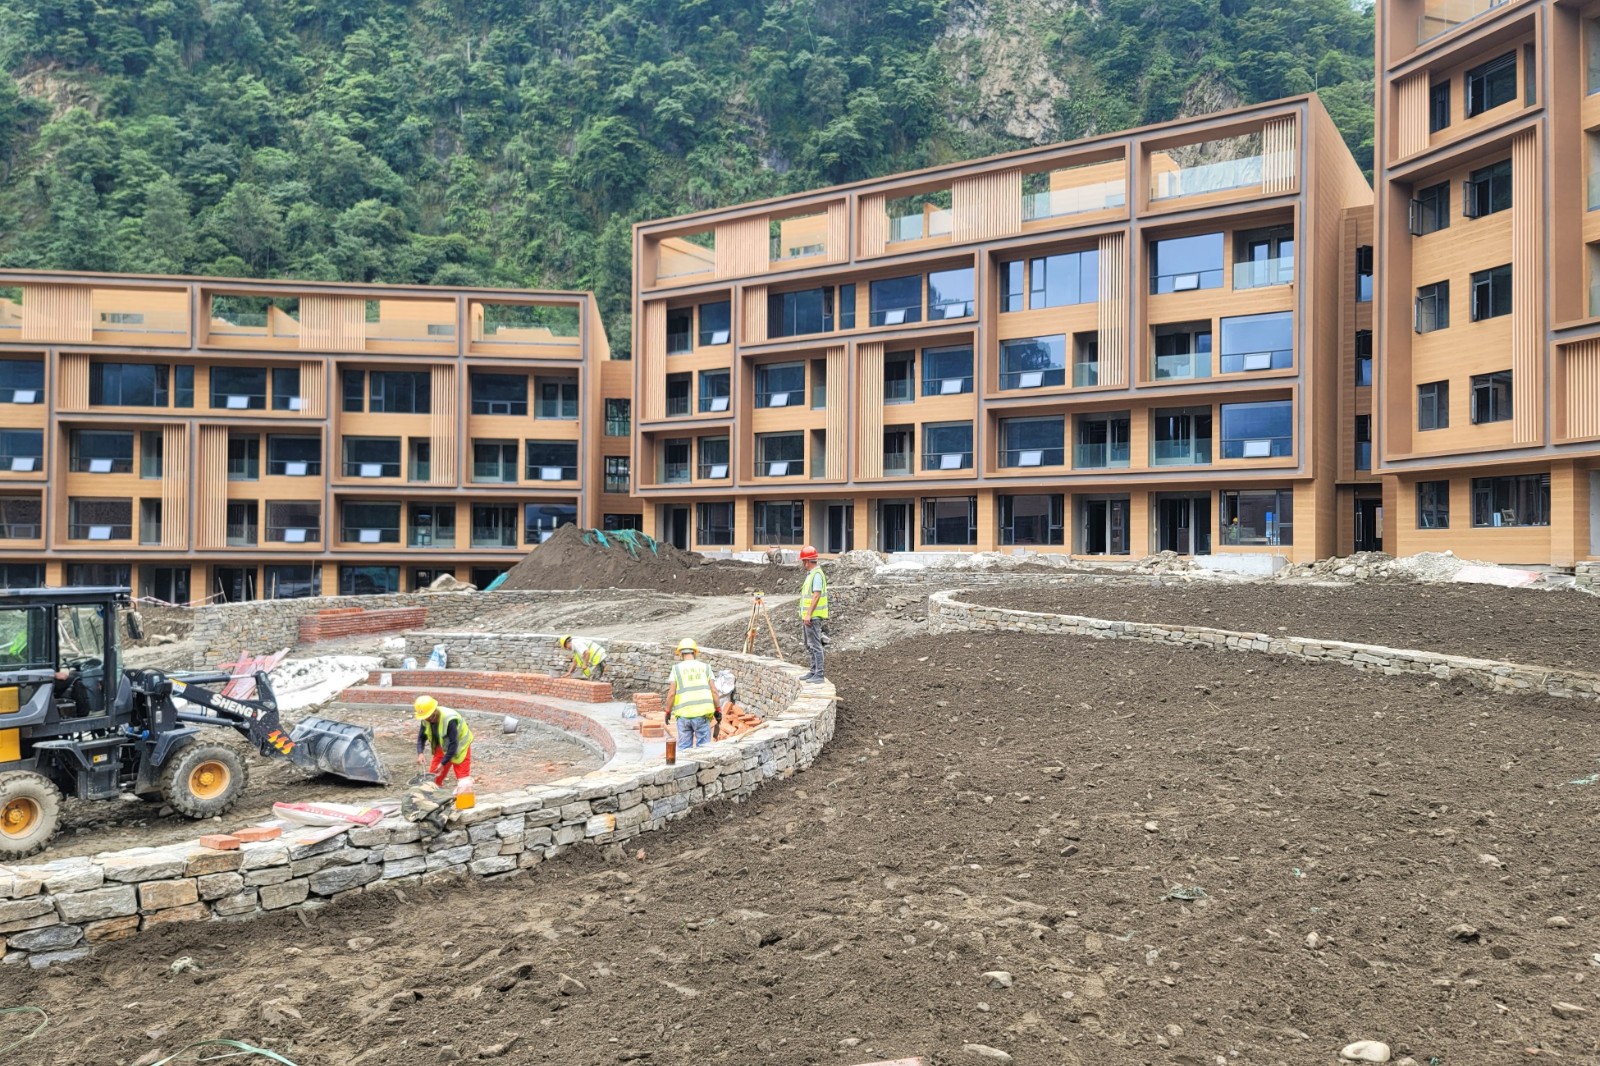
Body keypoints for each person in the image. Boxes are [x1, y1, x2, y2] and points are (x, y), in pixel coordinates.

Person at [664, 638, 720, 751]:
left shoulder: (676, 669)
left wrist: (668, 711)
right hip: (702, 715)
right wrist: (718, 709)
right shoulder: (706, 667)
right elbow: (714, 690)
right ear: (695, 652)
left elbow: (671, 693)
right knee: (704, 749)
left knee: (685, 750)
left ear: (680, 653)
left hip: (683, 716)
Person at [413, 695, 474, 788]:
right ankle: (435, 795)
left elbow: (454, 744)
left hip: (460, 746)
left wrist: (443, 763)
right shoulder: (425, 719)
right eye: (425, 717)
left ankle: (465, 796)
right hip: (442, 746)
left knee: (464, 783)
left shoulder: (449, 719)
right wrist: (420, 753)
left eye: (429, 717)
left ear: (434, 711)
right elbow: (421, 737)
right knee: (433, 778)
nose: (427, 719)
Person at [797, 545, 828, 682]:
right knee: (809, 645)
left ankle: (819, 674)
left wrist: (809, 614)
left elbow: (816, 596)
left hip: (813, 617)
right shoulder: (811, 575)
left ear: (807, 561)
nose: (803, 564)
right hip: (808, 617)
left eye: (803, 561)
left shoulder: (816, 575)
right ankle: (813, 671)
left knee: (815, 645)